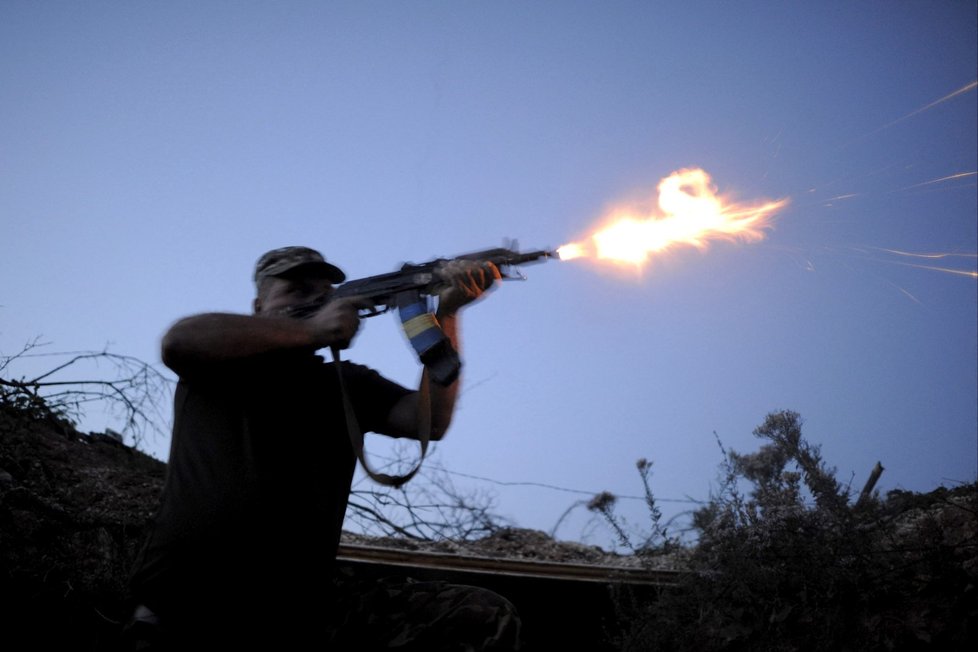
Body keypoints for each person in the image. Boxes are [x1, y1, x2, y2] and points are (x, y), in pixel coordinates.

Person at [124, 246, 521, 650]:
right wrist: (314, 331)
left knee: (479, 613)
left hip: (298, 613)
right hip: (189, 604)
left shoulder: (347, 383)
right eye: (296, 291)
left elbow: (430, 422)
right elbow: (178, 340)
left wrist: (446, 315)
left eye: (325, 292)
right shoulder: (218, 359)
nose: (315, 300)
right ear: (259, 305)